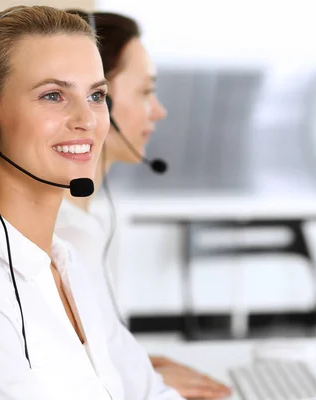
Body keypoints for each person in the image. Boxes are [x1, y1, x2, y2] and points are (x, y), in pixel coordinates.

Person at [0, 6, 183, 400]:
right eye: (53, 95)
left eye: (96, 95)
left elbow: (149, 394)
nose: (88, 119)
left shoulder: (66, 265)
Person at [55, 10, 232, 400]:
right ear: (99, 99)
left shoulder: (86, 218)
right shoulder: (64, 237)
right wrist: (148, 385)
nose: (159, 111)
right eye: (145, 91)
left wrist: (137, 364)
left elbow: (79, 359)